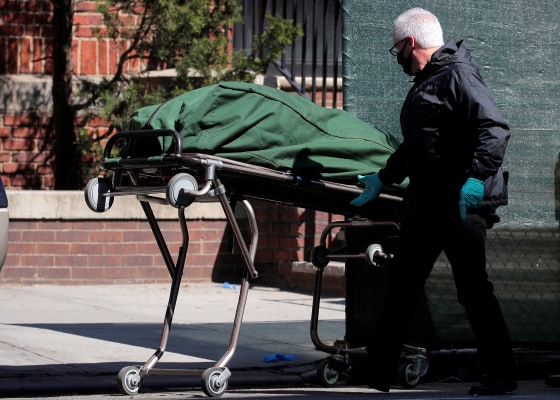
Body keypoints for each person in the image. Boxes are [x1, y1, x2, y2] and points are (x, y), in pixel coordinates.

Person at [350, 7, 516, 396]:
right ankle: (378, 372)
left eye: (397, 51)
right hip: (426, 203)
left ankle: (502, 374)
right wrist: (383, 177)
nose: (399, 60)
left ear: (410, 43)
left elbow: (494, 129)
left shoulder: (457, 75)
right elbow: (419, 144)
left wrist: (475, 180)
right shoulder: (432, 80)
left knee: (473, 289)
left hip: (459, 204)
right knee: (403, 285)